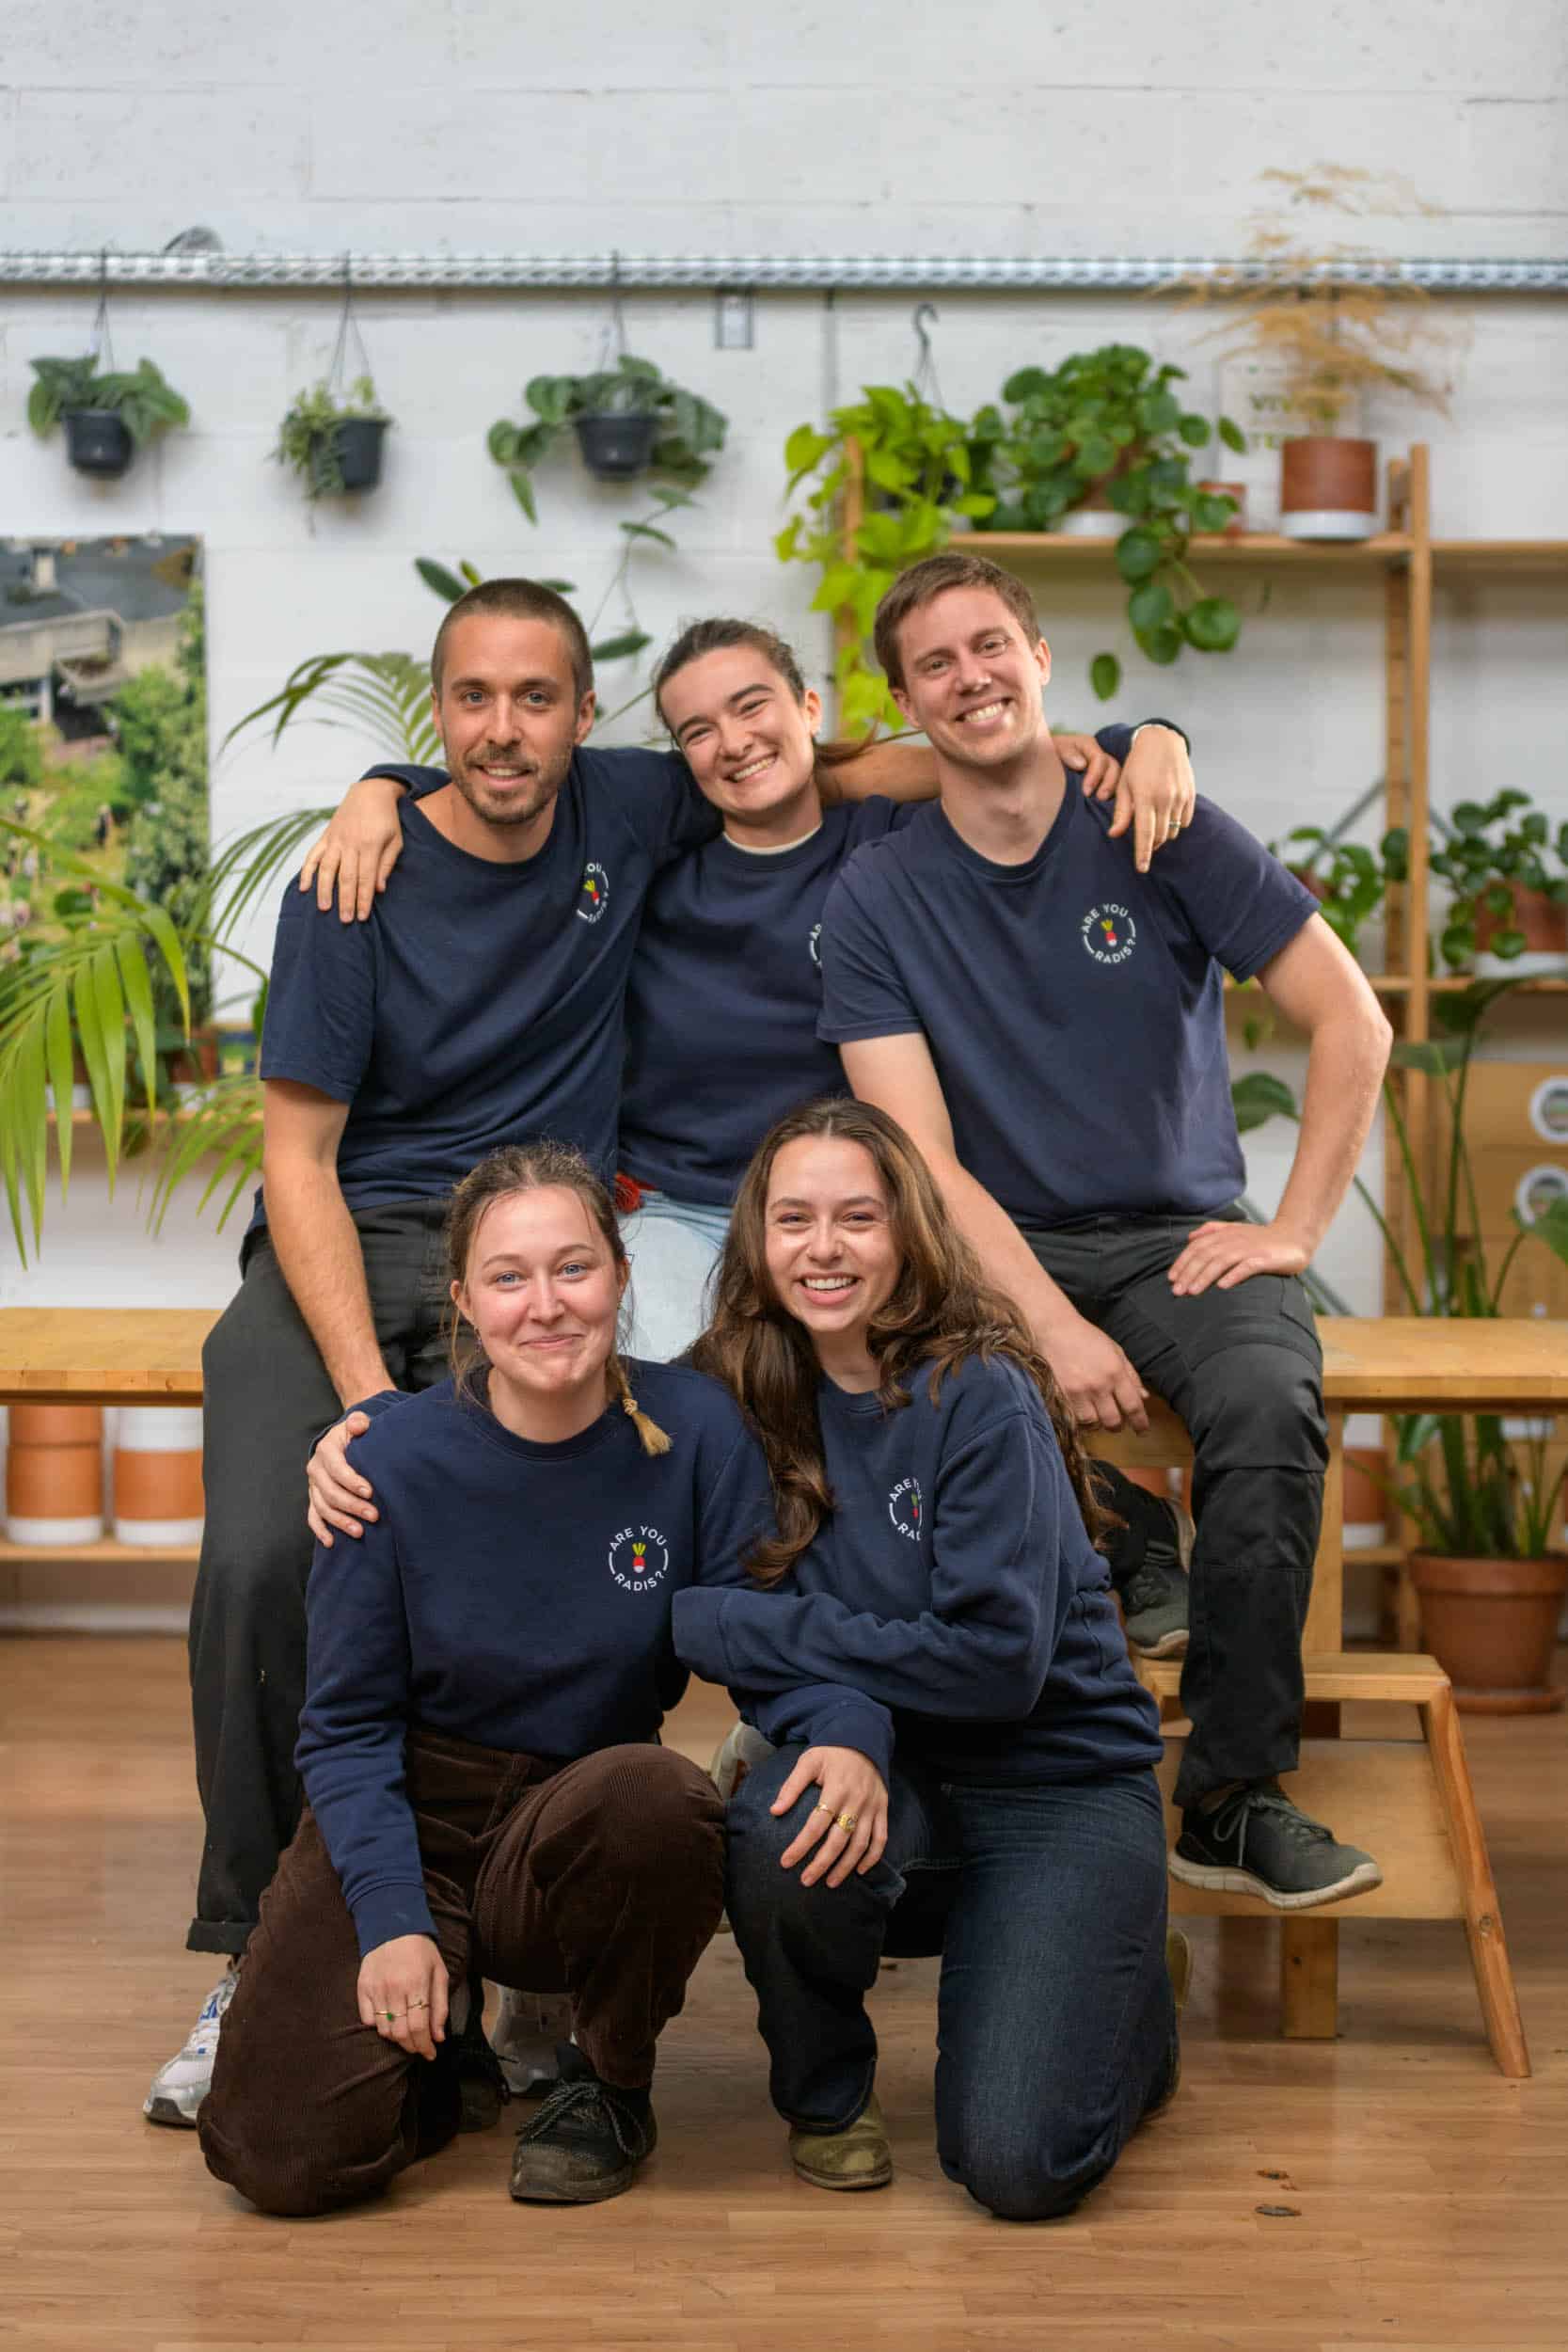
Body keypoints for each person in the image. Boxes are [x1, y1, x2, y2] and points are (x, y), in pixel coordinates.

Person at [151, 578, 906, 2126]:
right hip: (354, 1241)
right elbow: (295, 1161)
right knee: (266, 1558)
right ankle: (252, 1946)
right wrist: (377, 1408)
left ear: (583, 718)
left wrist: (1112, 742)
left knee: (581, 1543)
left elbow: (843, 769)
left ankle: (541, 1922)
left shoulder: (632, 805)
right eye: (472, 701)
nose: (505, 729)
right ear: (439, 718)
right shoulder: (349, 883)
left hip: (552, 1247)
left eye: (538, 699)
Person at [814, 548, 1395, 1909]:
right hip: (983, 1245)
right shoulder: (876, 898)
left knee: (1265, 1401)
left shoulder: (1159, 820)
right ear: (905, 702)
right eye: (934, 664)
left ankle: (1231, 1797)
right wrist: (1051, 1326)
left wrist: (1294, 1232)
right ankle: (960, 1785)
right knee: (920, 1402)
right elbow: (924, 1163)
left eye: (987, 646)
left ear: (1038, 660)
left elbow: (1348, 1020)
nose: (969, 678)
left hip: (1179, 1234)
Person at [198, 1140, 790, 2213]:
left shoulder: (695, 1431)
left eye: (574, 1268)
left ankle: (608, 2083)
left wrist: (842, 1729)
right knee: (278, 2158)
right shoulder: (383, 1461)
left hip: (566, 1817)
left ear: (619, 1274)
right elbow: (343, 1730)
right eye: (510, 1278)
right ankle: (437, 2054)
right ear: (465, 1303)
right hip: (402, 1812)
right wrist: (389, 1921)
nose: (547, 1305)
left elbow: (768, 1639)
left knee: (659, 1798)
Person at [668, 1097, 1180, 2217]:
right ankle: (825, 2094)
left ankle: (1122, 1996)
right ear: (755, 1235)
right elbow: (559, 1426)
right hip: (892, 1773)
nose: (824, 1247)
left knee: (1016, 2164)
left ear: (906, 1233)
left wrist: (736, 1627)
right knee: (779, 1825)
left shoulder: (978, 1390)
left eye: (858, 1216)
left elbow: (997, 1664)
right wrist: (369, 1440)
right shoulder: (725, 1391)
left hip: (1056, 1780)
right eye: (793, 1217)